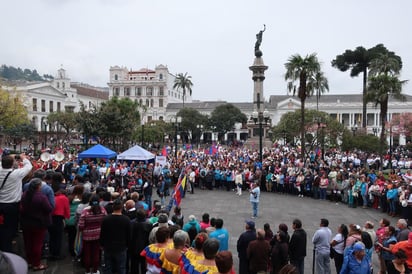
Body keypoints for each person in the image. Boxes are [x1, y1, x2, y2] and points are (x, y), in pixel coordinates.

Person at [0, 153, 33, 252]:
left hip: (1, 203)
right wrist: (23, 158)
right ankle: (7, 248)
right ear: (12, 164)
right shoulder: (17, 174)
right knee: (9, 227)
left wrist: (10, 157)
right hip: (11, 205)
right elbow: (29, 166)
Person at [20, 178, 52, 271]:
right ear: (38, 187)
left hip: (26, 223)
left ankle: (29, 262)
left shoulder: (25, 195)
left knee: (28, 243)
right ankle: (36, 264)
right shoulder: (41, 197)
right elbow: (49, 209)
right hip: (38, 223)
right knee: (37, 244)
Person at [78, 194, 107, 274]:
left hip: (86, 236)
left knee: (87, 254)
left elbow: (81, 225)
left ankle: (87, 271)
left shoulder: (85, 211)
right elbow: (105, 222)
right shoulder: (102, 211)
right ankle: (95, 270)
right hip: (98, 234)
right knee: (96, 253)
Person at [100, 198, 131, 274]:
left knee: (108, 267)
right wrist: (128, 245)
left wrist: (101, 244)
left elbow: (102, 233)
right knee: (121, 267)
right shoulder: (126, 219)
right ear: (122, 207)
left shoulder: (106, 219)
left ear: (113, 207)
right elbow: (129, 235)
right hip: (121, 246)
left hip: (108, 246)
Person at [130, 208, 153, 274]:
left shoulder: (131, 223)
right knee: (143, 263)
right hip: (144, 246)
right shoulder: (148, 224)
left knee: (134, 264)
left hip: (133, 246)